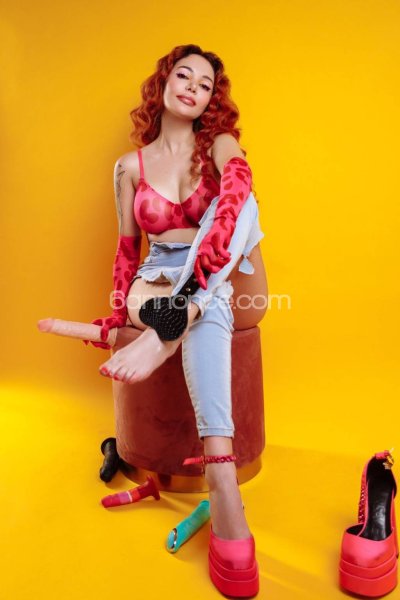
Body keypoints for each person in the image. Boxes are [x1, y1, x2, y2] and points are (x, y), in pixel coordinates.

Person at [41, 44, 268, 597]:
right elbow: (127, 250)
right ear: (163, 83)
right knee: (204, 306)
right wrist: (119, 316)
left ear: (212, 100)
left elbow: (236, 200)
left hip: (229, 270)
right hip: (159, 278)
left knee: (244, 201)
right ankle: (222, 473)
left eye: (205, 84)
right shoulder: (128, 167)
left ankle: (171, 328)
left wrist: (189, 292)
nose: (193, 87)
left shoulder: (220, 145)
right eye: (184, 75)